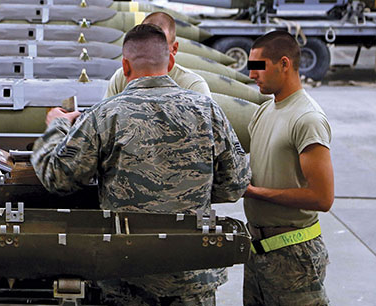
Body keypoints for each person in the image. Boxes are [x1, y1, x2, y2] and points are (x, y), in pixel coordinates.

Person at [32, 24, 249, 305]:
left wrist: (57, 126)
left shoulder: (105, 114)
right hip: (191, 273)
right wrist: (190, 193)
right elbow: (235, 185)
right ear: (170, 61)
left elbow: (58, 177)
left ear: (124, 65)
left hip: (126, 273)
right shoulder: (208, 111)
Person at [243, 31, 334, 305]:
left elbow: (323, 198)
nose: (251, 75)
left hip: (295, 257)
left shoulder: (307, 119)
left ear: (284, 64)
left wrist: (256, 192)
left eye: (259, 67)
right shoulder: (265, 111)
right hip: (258, 252)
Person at [104, 12, 211, 98]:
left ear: (174, 49)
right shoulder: (120, 78)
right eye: (144, 43)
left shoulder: (193, 86)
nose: (150, 50)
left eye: (159, 44)